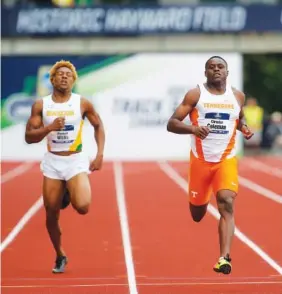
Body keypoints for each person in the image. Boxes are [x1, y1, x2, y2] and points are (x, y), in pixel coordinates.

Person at [167, 56, 253, 275]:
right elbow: (172, 123)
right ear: (205, 72)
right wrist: (193, 129)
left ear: (227, 72)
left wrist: (244, 128)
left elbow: (239, 118)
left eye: (220, 67)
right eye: (211, 67)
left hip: (225, 160)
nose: (216, 70)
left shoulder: (237, 96)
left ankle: (224, 258)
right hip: (200, 162)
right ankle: (200, 198)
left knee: (226, 201)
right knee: (197, 214)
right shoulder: (196, 94)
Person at [25, 60, 105, 274]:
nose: (64, 77)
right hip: (52, 162)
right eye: (60, 74)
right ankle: (60, 255)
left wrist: (99, 155)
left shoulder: (82, 103)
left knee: (83, 207)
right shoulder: (41, 105)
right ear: (52, 79)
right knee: (51, 213)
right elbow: (29, 137)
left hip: (75, 160)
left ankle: (70, 190)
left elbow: (98, 126)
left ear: (73, 80)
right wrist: (49, 128)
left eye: (68, 75)